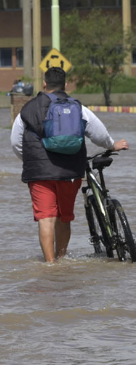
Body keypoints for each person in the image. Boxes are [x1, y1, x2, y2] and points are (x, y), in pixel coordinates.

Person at [10, 67, 128, 262]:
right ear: (66, 85)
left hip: (40, 174)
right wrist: (112, 145)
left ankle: (51, 265)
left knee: (46, 218)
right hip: (70, 172)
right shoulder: (78, 107)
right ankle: (62, 257)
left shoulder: (29, 108)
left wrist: (32, 161)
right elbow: (98, 133)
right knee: (64, 218)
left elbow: (16, 142)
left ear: (44, 84)